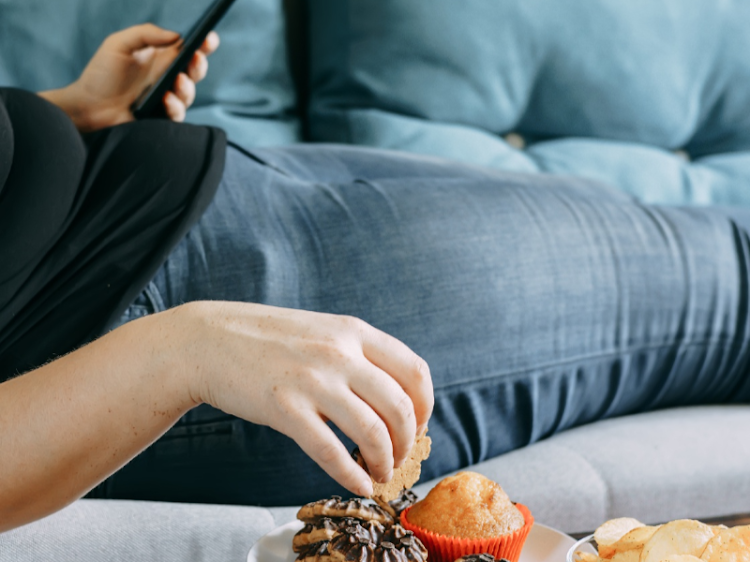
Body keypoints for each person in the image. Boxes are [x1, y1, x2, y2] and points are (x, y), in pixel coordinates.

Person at [2, 24, 750, 534]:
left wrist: (65, 112)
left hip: (177, 182)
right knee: (736, 287)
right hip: (143, 325)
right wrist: (184, 350)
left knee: (694, 233)